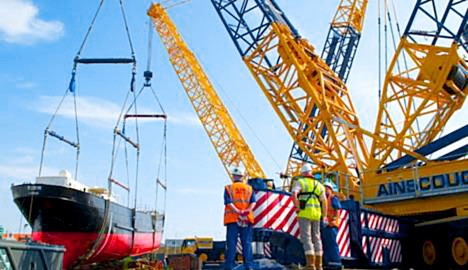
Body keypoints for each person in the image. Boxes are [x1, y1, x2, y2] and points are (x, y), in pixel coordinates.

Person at [292, 164, 328, 270]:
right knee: (317, 238)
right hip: (316, 214)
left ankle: (310, 265)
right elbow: (324, 201)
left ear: (303, 173)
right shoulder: (319, 185)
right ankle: (319, 265)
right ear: (311, 173)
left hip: (304, 213)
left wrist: (297, 206)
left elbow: (294, 194)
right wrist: (324, 216)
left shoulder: (301, 182)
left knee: (306, 238)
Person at [223, 167, 256, 270]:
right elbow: (253, 202)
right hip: (246, 219)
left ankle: (230, 266)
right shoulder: (249, 189)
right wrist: (246, 211)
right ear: (242, 177)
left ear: (233, 176)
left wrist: (238, 211)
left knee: (231, 243)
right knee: (246, 243)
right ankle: (249, 266)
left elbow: (228, 202)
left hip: (232, 219)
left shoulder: (228, 188)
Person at [322, 181, 343, 269]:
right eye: (324, 188)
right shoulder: (323, 199)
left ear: (331, 189)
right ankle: (327, 262)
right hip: (326, 225)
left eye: (327, 188)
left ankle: (336, 262)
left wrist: (335, 219)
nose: (325, 190)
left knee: (332, 243)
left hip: (332, 225)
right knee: (326, 244)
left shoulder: (333, 198)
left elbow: (338, 209)